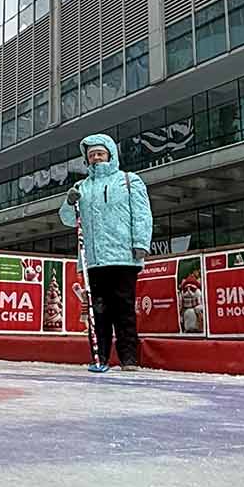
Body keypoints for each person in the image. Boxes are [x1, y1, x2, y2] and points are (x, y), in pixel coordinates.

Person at [59, 134, 153, 372]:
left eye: (100, 153)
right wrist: (70, 202)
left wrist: (141, 243)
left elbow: (142, 214)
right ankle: (99, 356)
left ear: (110, 154)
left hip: (123, 257)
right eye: (92, 155)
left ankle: (129, 357)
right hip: (94, 261)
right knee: (98, 311)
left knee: (124, 309)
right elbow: (68, 219)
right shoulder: (82, 187)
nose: (96, 158)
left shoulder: (129, 181)